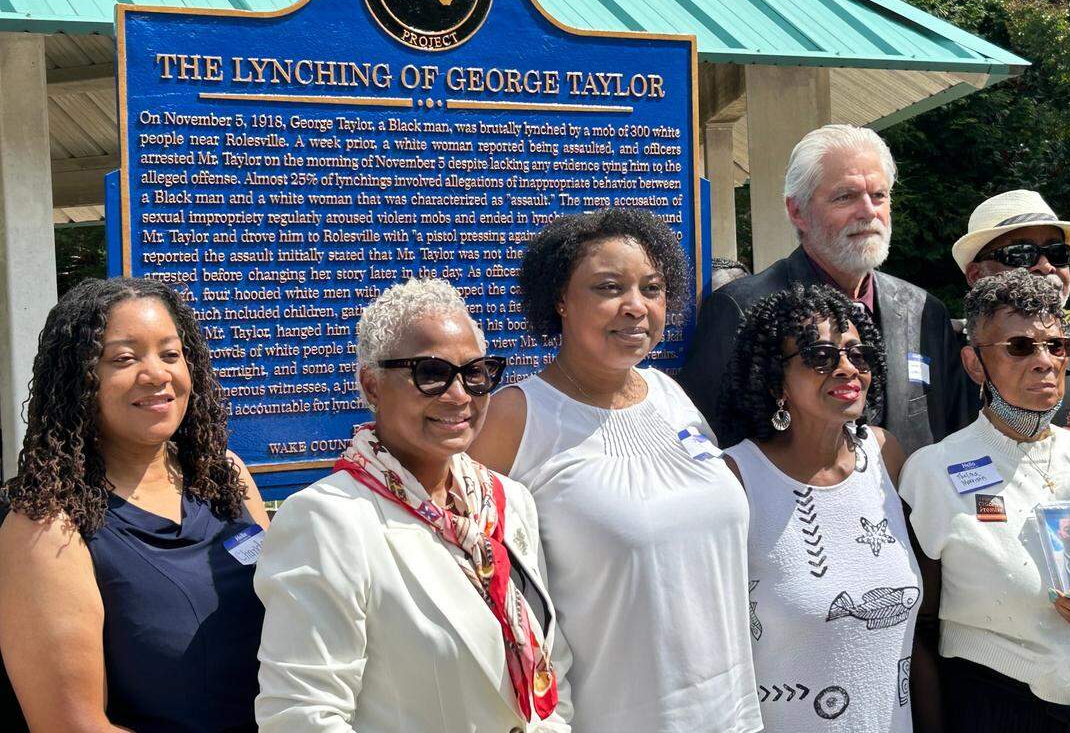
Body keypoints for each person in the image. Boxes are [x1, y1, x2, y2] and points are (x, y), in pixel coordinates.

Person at [472, 208, 763, 733]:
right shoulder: (515, 419)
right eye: (609, 288)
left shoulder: (672, 396)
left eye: (652, 288)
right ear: (560, 299)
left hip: (731, 713)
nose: (636, 307)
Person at [255, 278, 571, 732]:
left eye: (475, 372)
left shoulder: (507, 500)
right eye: (430, 373)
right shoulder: (327, 520)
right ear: (373, 384)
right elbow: (301, 717)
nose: (460, 395)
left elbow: (551, 664)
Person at [0, 277, 268, 732]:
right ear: (78, 379)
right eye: (124, 358)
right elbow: (72, 726)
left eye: (170, 353)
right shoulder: (47, 525)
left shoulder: (227, 475)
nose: (157, 374)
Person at [900, 270, 1070, 731]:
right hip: (995, 707)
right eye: (1020, 347)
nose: (1045, 361)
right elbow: (918, 629)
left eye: (1058, 346)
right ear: (974, 365)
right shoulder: (932, 470)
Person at [680, 124, 970, 454]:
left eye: (878, 195)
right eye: (845, 196)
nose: (868, 211)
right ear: (797, 211)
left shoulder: (923, 311)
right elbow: (707, 441)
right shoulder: (741, 310)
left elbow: (955, 438)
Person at [719, 283, 927, 732]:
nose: (847, 368)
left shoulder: (885, 455)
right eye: (821, 356)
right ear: (776, 380)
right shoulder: (736, 478)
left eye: (858, 353)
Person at [954, 189, 1070, 437]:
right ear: (976, 275)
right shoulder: (942, 352)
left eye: (1057, 253)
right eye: (1021, 253)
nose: (1045, 265)